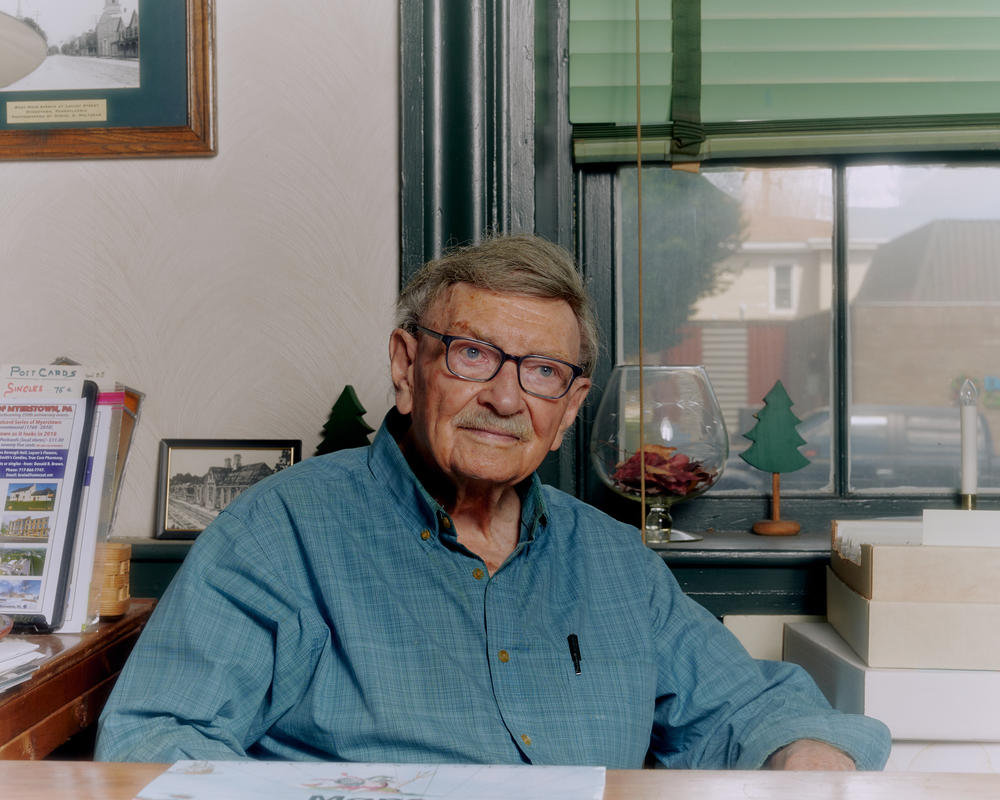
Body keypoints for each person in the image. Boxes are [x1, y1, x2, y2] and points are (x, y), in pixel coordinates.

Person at [96, 234, 890, 769]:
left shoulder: (613, 560)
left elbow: (742, 708)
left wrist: (802, 753)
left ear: (569, 410)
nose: (506, 399)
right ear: (408, 369)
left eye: (542, 371)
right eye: (474, 354)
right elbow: (158, 740)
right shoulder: (278, 537)